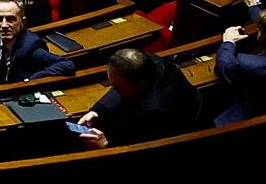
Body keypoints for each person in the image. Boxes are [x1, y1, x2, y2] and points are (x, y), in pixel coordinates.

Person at [72, 45, 205, 149]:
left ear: (141, 85)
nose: (113, 89)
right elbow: (119, 87)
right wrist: (97, 110)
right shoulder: (147, 62)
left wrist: (106, 146)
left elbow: (138, 151)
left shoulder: (154, 112)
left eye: (118, 87)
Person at [0, 0, 73, 86]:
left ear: (22, 22)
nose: (4, 25)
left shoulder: (31, 46)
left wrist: (31, 80)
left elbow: (66, 64)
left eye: (10, 19)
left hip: (16, 96)